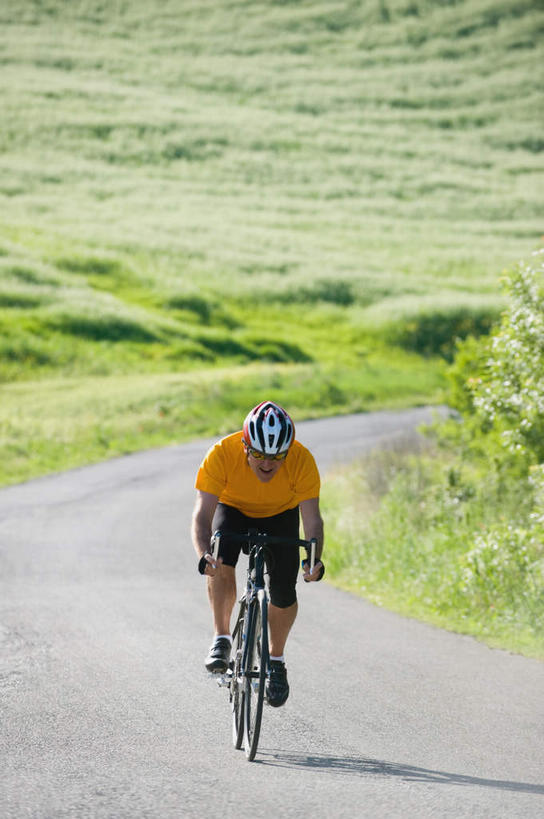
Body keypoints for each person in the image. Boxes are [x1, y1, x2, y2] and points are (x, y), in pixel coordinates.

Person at [191, 400, 325, 707]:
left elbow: (313, 520)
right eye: (259, 454)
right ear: (245, 446)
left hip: (281, 514)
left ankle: (276, 661)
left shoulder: (302, 460)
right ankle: (221, 638)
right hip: (233, 508)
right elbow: (202, 516)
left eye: (277, 456)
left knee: (283, 590)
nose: (268, 464)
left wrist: (313, 558)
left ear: (288, 451)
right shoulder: (221, 454)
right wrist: (203, 553)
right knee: (219, 557)